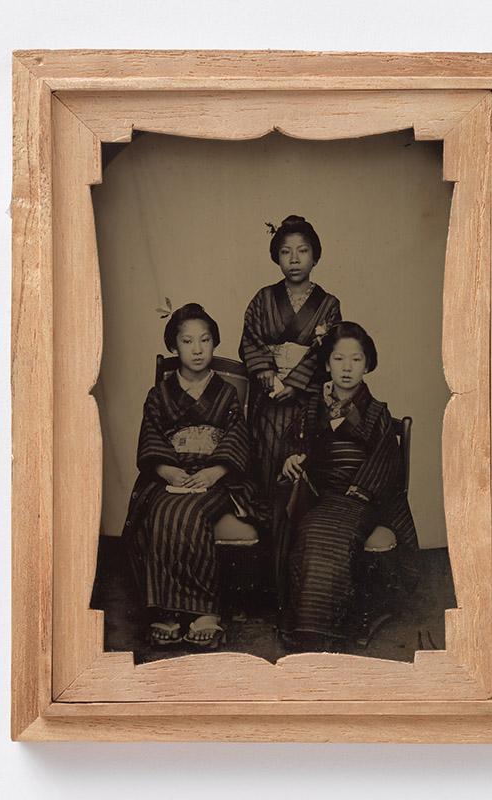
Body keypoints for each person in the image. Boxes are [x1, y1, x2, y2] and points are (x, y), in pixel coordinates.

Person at [122, 303, 264, 649]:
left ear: (214, 344)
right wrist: (167, 468)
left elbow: (237, 436)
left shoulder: (227, 393)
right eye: (187, 341)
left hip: (215, 477)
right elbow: (151, 437)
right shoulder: (159, 395)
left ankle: (203, 612)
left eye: (205, 340)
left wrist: (215, 471)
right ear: (174, 346)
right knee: (159, 510)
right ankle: (171, 612)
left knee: (187, 512)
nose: (197, 349)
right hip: (168, 474)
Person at [280, 322, 420, 650]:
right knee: (301, 526)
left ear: (367, 364)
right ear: (327, 362)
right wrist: (292, 458)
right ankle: (310, 623)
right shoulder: (312, 406)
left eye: (356, 360)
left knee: (322, 532)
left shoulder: (376, 412)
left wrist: (358, 491)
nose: (347, 368)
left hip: (362, 497)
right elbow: (296, 444)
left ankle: (320, 630)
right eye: (339, 359)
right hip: (322, 495)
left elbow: (387, 462)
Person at [239, 215, 341, 595]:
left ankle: (298, 583)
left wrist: (293, 384)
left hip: (306, 405)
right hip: (268, 405)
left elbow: (326, 353)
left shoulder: (328, 305)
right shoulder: (262, 299)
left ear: (315, 256)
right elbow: (250, 342)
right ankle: (266, 581)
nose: (294, 259)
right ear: (276, 257)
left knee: (299, 482)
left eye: (302, 251)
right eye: (285, 252)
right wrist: (269, 378)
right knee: (266, 478)